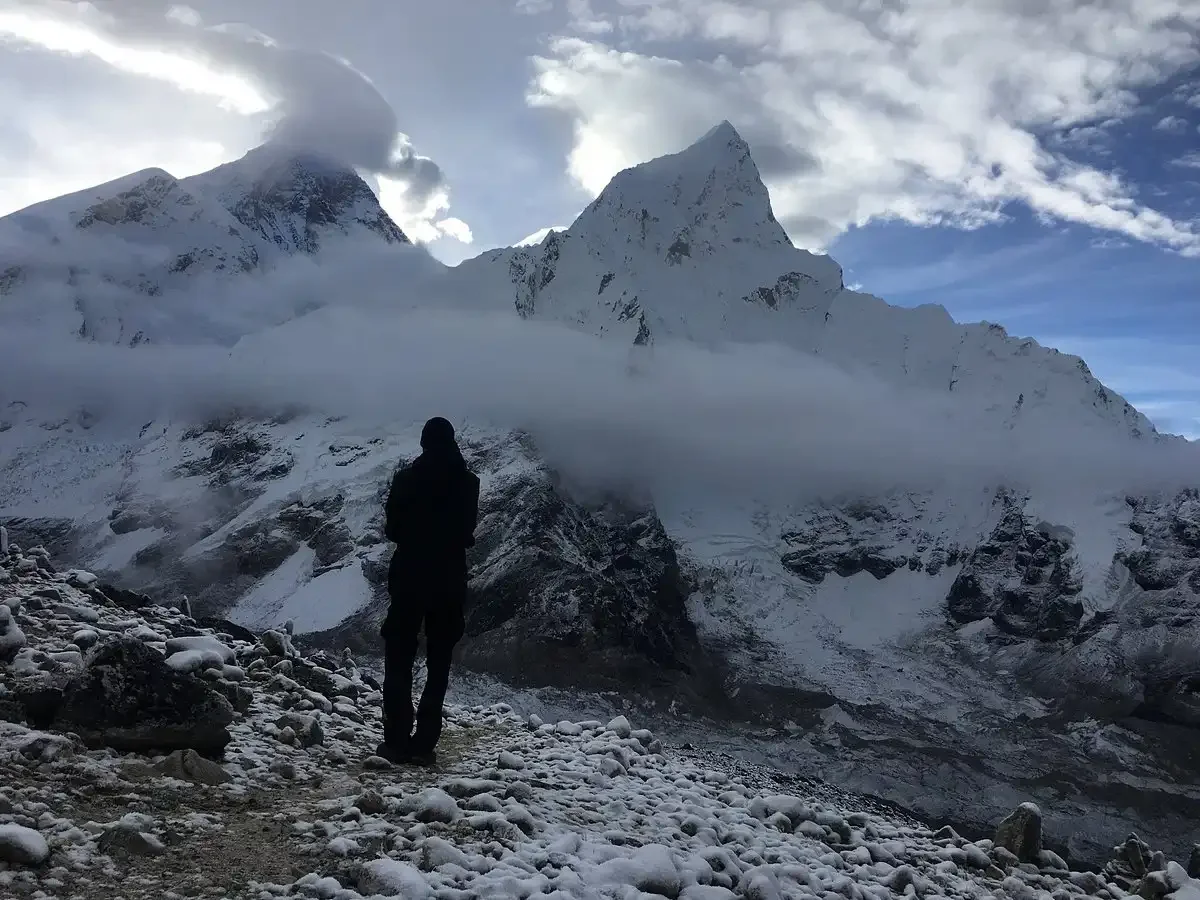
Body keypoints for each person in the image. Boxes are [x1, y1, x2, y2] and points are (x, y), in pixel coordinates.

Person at [377, 416, 480, 765]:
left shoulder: (406, 479)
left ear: (423, 442)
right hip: (449, 579)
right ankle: (425, 743)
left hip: (409, 576)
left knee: (399, 653)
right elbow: (467, 530)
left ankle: (395, 739)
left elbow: (393, 530)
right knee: (439, 661)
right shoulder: (468, 483)